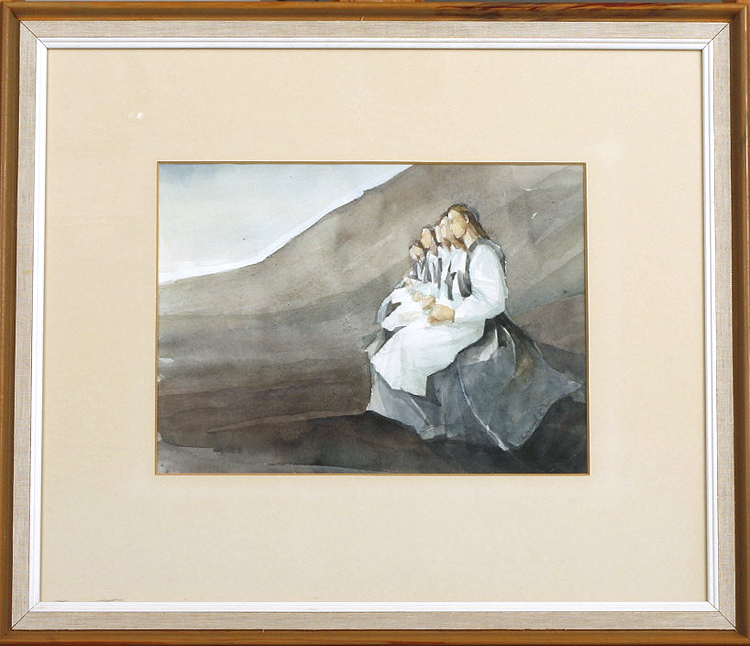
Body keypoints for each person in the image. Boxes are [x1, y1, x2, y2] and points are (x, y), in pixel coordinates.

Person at [371, 205, 507, 397]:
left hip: (470, 323)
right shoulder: (464, 253)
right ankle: (405, 400)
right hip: (455, 318)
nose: (448, 228)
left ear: (466, 220)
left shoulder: (482, 253)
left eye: (452, 222)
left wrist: (453, 314)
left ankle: (418, 403)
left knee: (411, 348)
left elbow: (492, 301)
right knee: (402, 339)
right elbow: (450, 291)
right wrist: (438, 306)